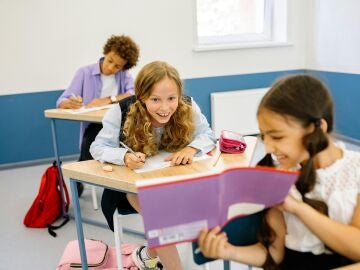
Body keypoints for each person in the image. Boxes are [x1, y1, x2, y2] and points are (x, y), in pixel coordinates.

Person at [197, 75, 360, 270]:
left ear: (318, 128)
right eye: (265, 136)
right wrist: (227, 251)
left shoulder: (355, 170)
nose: (268, 148)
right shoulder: (276, 175)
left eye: (277, 136)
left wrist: (297, 208)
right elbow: (275, 254)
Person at [90, 61, 217, 270]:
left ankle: (147, 255)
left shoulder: (187, 105)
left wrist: (190, 149)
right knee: (163, 223)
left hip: (173, 179)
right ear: (141, 96)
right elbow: (98, 147)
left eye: (171, 99)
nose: (165, 108)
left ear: (179, 95)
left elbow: (207, 135)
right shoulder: (120, 111)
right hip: (134, 187)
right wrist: (124, 156)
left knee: (181, 215)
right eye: (155, 99)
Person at [56, 34, 139, 196]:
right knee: (90, 139)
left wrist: (108, 100)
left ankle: (114, 182)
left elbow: (134, 93)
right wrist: (70, 103)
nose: (111, 68)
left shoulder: (124, 76)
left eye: (118, 66)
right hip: (94, 124)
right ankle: (80, 176)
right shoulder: (84, 73)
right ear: (106, 52)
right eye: (110, 61)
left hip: (118, 125)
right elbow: (61, 101)